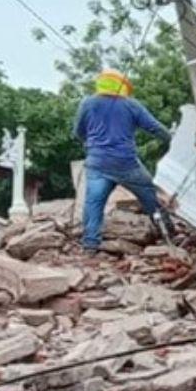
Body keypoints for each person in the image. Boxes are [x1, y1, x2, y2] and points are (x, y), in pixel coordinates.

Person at [73, 69, 173, 253]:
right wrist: (174, 141)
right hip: (126, 163)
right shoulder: (131, 105)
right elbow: (155, 128)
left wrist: (91, 144)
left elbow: (78, 132)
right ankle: (167, 232)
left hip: (97, 163)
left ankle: (90, 246)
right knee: (149, 196)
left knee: (93, 204)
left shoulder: (87, 103)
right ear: (124, 86)